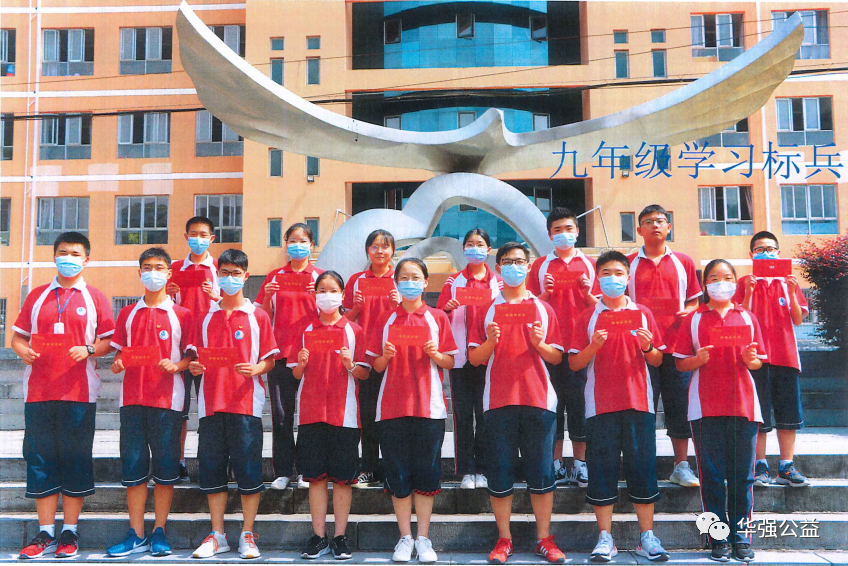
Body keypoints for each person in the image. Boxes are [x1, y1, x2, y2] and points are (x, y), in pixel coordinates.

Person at [11, 232, 115, 559]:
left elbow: (108, 342)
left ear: (86, 259)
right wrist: (22, 351)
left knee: (75, 460)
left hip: (79, 393)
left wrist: (88, 349)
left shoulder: (95, 297)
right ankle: (45, 532)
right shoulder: (37, 296)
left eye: (75, 253)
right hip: (39, 393)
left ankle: (69, 531)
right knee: (41, 460)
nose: (68, 258)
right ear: (53, 256)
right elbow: (17, 337)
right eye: (62, 252)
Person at [468, 242, 567, 565]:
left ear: (529, 266)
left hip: (539, 400)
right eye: (508, 262)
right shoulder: (487, 309)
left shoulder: (543, 308)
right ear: (498, 268)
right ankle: (504, 538)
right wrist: (490, 341)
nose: (514, 267)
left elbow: (557, 356)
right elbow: (474, 358)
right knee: (500, 473)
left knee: (542, 473)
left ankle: (544, 538)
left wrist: (539, 343)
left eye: (520, 261)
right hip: (498, 401)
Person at [569, 251, 668, 563]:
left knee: (642, 468)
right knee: (602, 470)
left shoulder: (642, 313)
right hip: (600, 405)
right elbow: (574, 363)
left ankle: (647, 537)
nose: (613, 278)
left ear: (628, 277)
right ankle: (605, 537)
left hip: (639, 402)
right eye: (606, 273)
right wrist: (593, 346)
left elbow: (658, 359)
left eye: (618, 273)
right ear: (597, 277)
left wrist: (647, 346)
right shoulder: (587, 316)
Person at [187, 249, 279, 560]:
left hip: (245, 406)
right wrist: (195, 367)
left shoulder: (258, 316)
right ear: (217, 276)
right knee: (212, 470)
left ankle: (248, 534)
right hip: (211, 405)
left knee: (249, 471)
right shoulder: (205, 316)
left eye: (235, 273)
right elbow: (196, 359)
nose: (229, 278)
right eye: (224, 273)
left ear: (245, 276)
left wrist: (256, 369)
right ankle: (218, 535)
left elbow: (269, 360)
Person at [673, 259, 766, 563]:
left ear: (736, 282)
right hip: (705, 407)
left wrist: (751, 359)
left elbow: (757, 362)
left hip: (743, 405)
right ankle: (718, 538)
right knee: (711, 477)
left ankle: (741, 537)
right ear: (704, 285)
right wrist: (697, 360)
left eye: (726, 277)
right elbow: (680, 363)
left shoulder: (747, 317)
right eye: (714, 278)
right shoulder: (694, 319)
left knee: (742, 477)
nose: (721, 283)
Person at [367, 258, 457, 563]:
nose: (409, 282)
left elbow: (450, 361)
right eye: (403, 277)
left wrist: (435, 354)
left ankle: (423, 538)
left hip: (428, 408)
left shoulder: (437, 317)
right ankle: (404, 537)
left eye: (415, 277)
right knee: (398, 473)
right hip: (392, 407)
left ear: (425, 282)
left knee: (426, 473)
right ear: (396, 282)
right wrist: (385, 356)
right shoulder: (386, 319)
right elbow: (375, 366)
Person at [106, 247, 195, 557]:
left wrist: (177, 366)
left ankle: (159, 531)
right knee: (133, 468)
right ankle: (136, 533)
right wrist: (117, 364)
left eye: (159, 267)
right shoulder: (127, 313)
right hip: (132, 400)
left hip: (168, 401)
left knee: (166, 470)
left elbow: (190, 356)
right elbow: (119, 354)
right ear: (139, 272)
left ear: (169, 273)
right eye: (147, 267)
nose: (152, 272)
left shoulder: (182, 314)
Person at [290, 271, 370, 560]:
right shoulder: (304, 329)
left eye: (333, 290)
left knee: (343, 479)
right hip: (311, 413)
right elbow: (295, 374)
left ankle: (340, 537)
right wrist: (301, 364)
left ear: (342, 294)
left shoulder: (354, 330)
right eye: (321, 290)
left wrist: (350, 364)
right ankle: (318, 536)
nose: (327, 295)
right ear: (314, 294)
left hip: (343, 413)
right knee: (316, 478)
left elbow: (364, 373)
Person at [627, 205, 702, 488]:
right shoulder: (628, 263)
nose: (655, 225)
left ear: (669, 227)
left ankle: (681, 466)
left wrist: (688, 312)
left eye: (660, 221)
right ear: (639, 229)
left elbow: (694, 301)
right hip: (641, 350)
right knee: (642, 409)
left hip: (678, 347)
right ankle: (642, 465)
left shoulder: (683, 262)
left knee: (679, 407)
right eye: (648, 221)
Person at [528, 207, 599, 487]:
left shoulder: (592, 265)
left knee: (580, 406)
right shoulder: (539, 266)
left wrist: (588, 294)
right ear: (549, 235)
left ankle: (581, 464)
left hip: (582, 347)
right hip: (550, 347)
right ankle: (556, 464)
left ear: (577, 232)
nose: (563, 234)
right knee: (553, 407)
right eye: (557, 230)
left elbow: (604, 306)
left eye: (569, 229)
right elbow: (529, 306)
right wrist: (545, 294)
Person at [734, 231, 810, 487]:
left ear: (778, 252)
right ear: (751, 254)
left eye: (770, 249)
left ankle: (786, 466)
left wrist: (792, 292)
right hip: (756, 358)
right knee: (759, 414)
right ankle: (760, 464)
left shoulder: (788, 282)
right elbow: (740, 318)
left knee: (788, 414)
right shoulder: (744, 282)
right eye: (759, 249)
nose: (765, 253)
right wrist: (749, 292)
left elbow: (797, 319)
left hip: (786, 357)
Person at [255, 222, 323, 491]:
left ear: (312, 245)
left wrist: (318, 297)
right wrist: (266, 298)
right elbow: (264, 317)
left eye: (303, 241)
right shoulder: (274, 277)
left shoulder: (319, 277)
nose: (297, 245)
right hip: (281, 354)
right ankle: (283, 471)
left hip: (311, 355)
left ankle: (306, 470)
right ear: (286, 244)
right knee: (282, 416)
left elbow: (330, 315)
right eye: (292, 241)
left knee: (308, 416)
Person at [437, 228, 502, 490]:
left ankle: (483, 469)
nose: (475, 248)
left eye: (480, 244)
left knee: (485, 415)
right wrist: (447, 309)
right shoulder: (453, 281)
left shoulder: (498, 282)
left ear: (488, 249)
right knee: (462, 415)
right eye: (470, 244)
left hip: (489, 357)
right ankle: (466, 470)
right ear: (464, 249)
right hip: (460, 359)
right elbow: (439, 316)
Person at [343, 229, 401, 487]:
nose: (380, 251)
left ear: (393, 251)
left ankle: (391, 467)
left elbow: (411, 315)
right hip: (365, 356)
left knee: (391, 415)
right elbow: (344, 321)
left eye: (385, 246)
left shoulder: (401, 279)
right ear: (367, 250)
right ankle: (368, 467)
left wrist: (397, 305)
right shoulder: (356, 280)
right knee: (366, 415)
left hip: (393, 355)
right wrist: (356, 307)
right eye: (374, 246)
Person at [167, 216, 221, 482]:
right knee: (180, 408)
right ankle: (178, 461)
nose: (197, 239)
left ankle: (208, 462)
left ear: (211, 238)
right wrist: (168, 292)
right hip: (181, 348)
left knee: (210, 408)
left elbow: (233, 302)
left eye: (203, 234)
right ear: (186, 236)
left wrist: (216, 296)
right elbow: (164, 304)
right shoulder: (175, 268)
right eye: (193, 234)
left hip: (211, 346)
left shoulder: (221, 268)